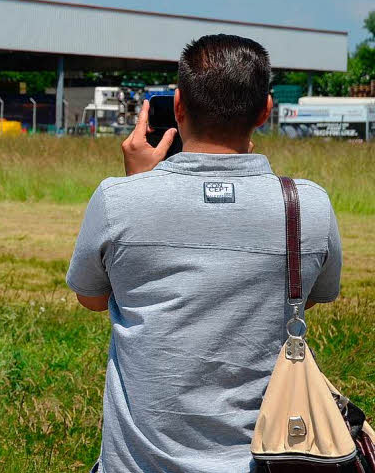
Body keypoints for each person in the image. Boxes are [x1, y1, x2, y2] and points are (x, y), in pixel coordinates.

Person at [67, 34, 342, 473]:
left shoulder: (117, 200)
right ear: (265, 111)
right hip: (265, 458)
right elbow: (306, 296)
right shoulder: (309, 205)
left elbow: (93, 298)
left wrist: (141, 186)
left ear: (178, 106)